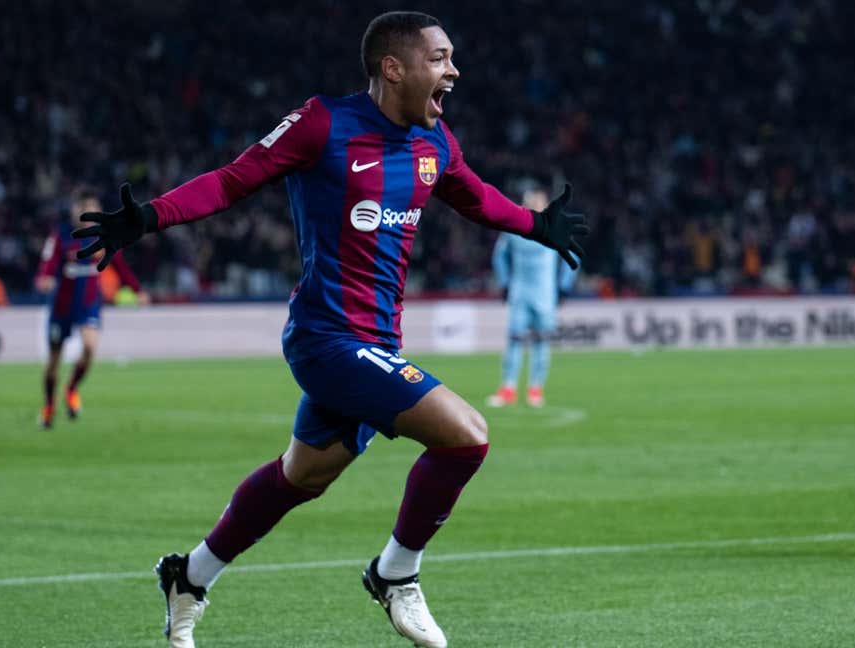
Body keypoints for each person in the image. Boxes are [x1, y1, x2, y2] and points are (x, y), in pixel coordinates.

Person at [70, 12, 587, 648]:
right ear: (393, 68)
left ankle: (190, 576)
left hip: (379, 343)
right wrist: (150, 216)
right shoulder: (324, 123)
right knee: (467, 437)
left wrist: (538, 227)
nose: (453, 70)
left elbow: (477, 197)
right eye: (441, 57)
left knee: (302, 476)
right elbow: (233, 181)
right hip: (327, 339)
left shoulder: (436, 143)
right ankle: (396, 574)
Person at [35, 186, 147, 429]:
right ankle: (49, 404)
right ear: (75, 210)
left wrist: (137, 290)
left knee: (89, 347)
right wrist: (43, 278)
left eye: (93, 209)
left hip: (88, 304)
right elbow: (48, 262)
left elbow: (120, 265)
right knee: (53, 361)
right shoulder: (61, 235)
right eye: (84, 208)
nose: (88, 213)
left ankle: (72, 389)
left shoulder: (104, 235)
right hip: (62, 306)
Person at [486, 179, 578, 408]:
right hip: (520, 295)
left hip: (545, 296)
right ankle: (509, 389)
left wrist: (564, 285)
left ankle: (536, 389)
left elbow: (573, 256)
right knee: (515, 341)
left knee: (541, 343)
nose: (533, 202)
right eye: (529, 199)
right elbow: (499, 256)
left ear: (545, 202)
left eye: (537, 199)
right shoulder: (514, 227)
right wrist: (504, 283)